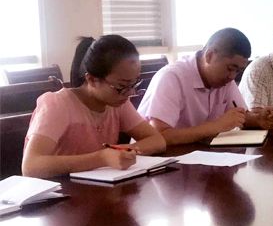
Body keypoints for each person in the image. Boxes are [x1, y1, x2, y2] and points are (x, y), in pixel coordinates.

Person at [22, 35, 166, 178]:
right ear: (91, 79)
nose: (130, 93)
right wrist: (101, 158)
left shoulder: (117, 102)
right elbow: (31, 166)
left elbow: (157, 140)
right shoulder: (58, 104)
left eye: (134, 84)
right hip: (60, 188)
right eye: (122, 86)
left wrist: (126, 150)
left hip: (98, 186)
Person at [138, 28, 273, 146]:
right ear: (209, 56)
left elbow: (238, 116)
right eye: (230, 68)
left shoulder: (224, 80)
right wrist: (216, 126)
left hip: (199, 156)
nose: (232, 76)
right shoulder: (172, 77)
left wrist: (257, 119)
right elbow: (159, 135)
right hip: (156, 161)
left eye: (238, 71)